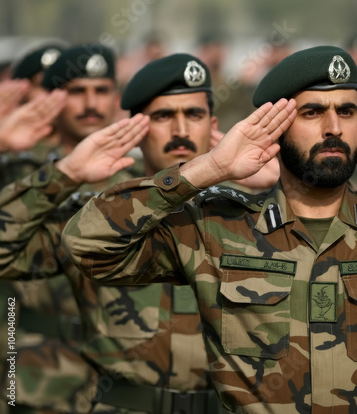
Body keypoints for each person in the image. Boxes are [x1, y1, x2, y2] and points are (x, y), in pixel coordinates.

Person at [63, 45, 357, 413]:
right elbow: (86, 243)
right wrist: (209, 169)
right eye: (312, 112)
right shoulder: (217, 227)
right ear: (275, 126)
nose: (333, 128)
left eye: (347, 111)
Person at [0, 52, 278, 413]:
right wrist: (64, 173)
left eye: (193, 114)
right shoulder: (99, 219)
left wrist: (277, 189)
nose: (180, 131)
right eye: (163, 116)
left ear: (212, 124)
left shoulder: (247, 214)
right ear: (136, 126)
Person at [0, 43, 137, 414]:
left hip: (119, 379)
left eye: (101, 90)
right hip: (35, 367)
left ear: (116, 97)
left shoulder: (141, 183)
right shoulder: (19, 172)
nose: (90, 103)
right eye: (77, 91)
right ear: (55, 98)